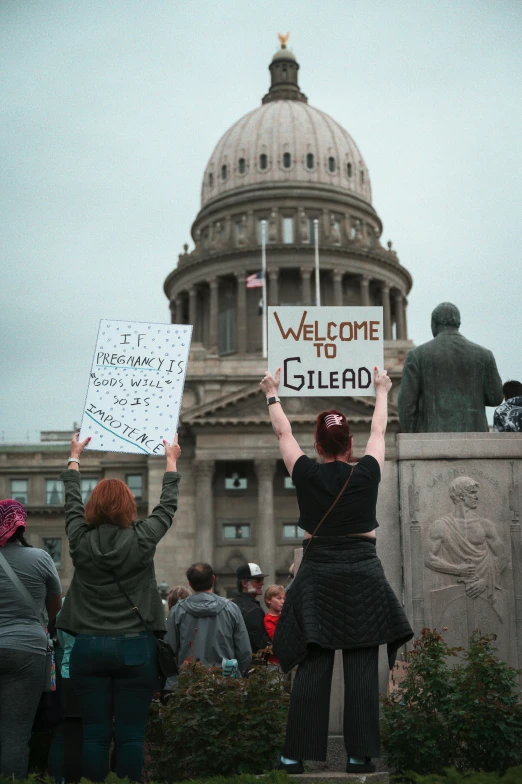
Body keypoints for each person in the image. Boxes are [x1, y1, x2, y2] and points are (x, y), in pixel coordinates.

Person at [260, 367, 413, 775]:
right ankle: (359, 755)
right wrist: (382, 390)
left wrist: (272, 394)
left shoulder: (305, 473)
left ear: (318, 444)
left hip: (320, 574)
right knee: (362, 666)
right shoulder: (366, 472)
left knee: (313, 664)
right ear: (350, 445)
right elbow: (379, 433)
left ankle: (294, 756)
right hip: (363, 572)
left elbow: (282, 435)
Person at [57, 432, 181, 783]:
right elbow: (167, 508)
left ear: (91, 509)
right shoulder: (142, 538)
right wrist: (170, 460)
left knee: (94, 735)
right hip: (135, 648)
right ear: (129, 507)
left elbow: (69, 502)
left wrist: (75, 458)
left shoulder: (79, 539)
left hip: (89, 647)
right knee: (130, 735)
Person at [0, 499, 62, 779]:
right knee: (15, 732)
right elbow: (56, 605)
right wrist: (43, 626)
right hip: (28, 649)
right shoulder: (41, 558)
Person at [398, 302, 503, 432]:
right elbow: (496, 398)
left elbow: (406, 404)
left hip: (431, 438)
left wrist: (410, 437)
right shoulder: (484, 355)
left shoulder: (416, 355)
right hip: (476, 439)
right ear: (458, 324)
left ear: (434, 324)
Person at [166, 562, 251, 675]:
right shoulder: (231, 609)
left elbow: (169, 651)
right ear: (213, 579)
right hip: (225, 679)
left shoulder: (177, 611)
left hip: (188, 681)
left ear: (190, 584)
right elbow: (244, 652)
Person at [231, 562, 272, 654]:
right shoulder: (253, 610)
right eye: (258, 580)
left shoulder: (232, 604)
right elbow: (261, 644)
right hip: (251, 664)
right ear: (244, 583)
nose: (262, 583)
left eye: (262, 579)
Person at [263, 585, 286, 665]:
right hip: (275, 661)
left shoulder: (283, 616)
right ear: (269, 600)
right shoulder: (268, 619)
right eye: (279, 598)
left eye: (284, 599)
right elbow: (275, 637)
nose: (282, 601)